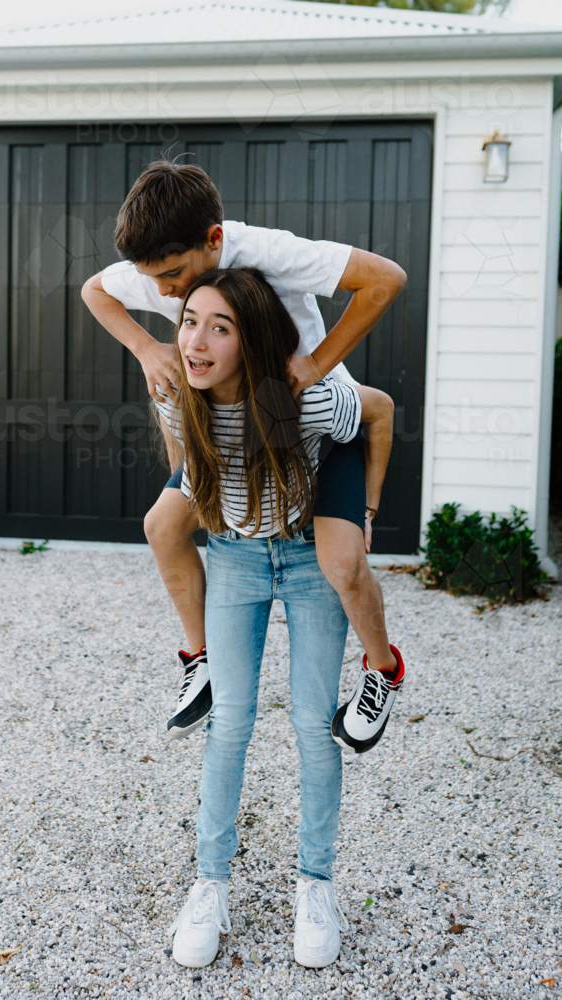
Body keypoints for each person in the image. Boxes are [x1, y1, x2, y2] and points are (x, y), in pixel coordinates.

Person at [81, 158, 406, 752]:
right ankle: (200, 656)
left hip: (306, 425)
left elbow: (385, 278)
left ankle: (382, 670)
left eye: (173, 275)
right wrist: (145, 347)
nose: (164, 292)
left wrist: (315, 363)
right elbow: (94, 290)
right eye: (151, 279)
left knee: (341, 563)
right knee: (162, 525)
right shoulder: (162, 266)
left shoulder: (271, 253)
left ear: (214, 241)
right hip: (230, 427)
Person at [152, 267, 400, 968]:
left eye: (218, 328)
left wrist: (367, 510)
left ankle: (315, 884)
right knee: (229, 720)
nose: (194, 341)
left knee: (311, 720)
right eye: (188, 321)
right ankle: (210, 883)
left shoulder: (308, 401)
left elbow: (377, 411)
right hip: (232, 560)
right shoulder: (178, 398)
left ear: (250, 341)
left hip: (305, 560)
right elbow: (184, 471)